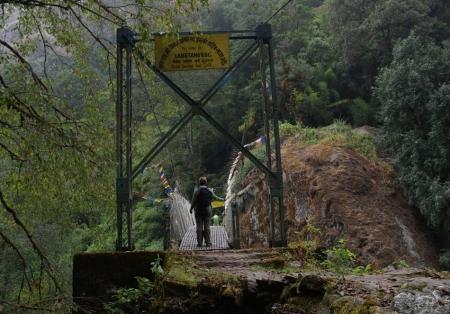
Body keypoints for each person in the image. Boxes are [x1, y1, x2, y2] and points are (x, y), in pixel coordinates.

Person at [190, 176, 224, 247]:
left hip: (198, 210)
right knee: (207, 226)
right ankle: (208, 243)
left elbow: (193, 201)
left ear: (199, 183)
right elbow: (216, 197)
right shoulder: (209, 191)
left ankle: (199, 243)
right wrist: (223, 199)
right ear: (206, 183)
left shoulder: (197, 191)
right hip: (207, 210)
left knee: (199, 226)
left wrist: (191, 209)